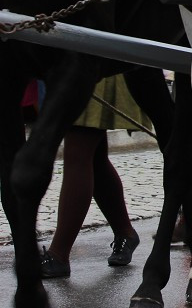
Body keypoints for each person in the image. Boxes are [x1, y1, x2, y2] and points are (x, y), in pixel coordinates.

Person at [40, 76, 146, 278]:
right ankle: (125, 232)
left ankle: (58, 254)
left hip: (96, 66)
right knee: (94, 157)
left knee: (78, 150)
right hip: (75, 63)